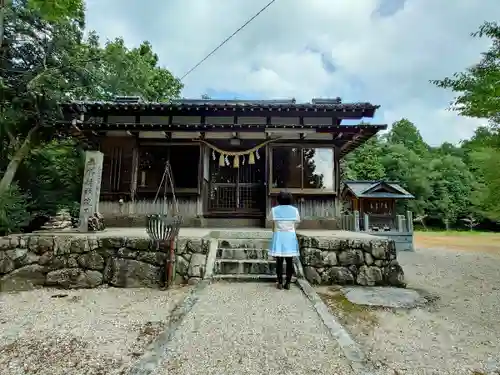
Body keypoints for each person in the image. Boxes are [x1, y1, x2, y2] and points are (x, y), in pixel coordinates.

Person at [267, 191, 300, 290]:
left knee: (279, 261)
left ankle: (280, 282)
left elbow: (271, 222)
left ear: (279, 199)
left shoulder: (274, 210)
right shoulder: (295, 210)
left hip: (279, 236)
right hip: (290, 236)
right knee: (289, 261)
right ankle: (288, 283)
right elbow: (296, 223)